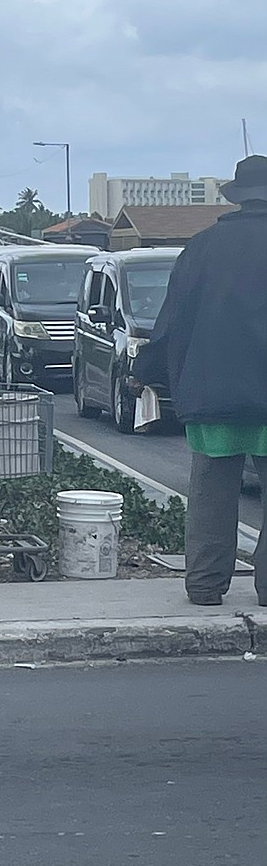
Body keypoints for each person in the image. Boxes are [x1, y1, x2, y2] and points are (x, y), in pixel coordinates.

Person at [132, 156, 267, 607]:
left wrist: (145, 372)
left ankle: (206, 586)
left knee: (212, 493)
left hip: (213, 393)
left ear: (237, 198)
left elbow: (172, 321)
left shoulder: (201, 248)